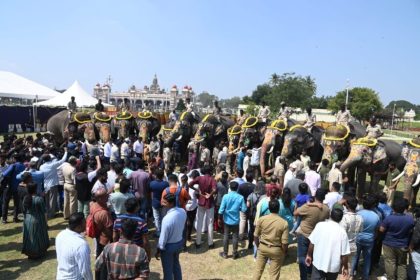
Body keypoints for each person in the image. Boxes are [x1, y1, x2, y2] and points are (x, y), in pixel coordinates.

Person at [294, 188, 330, 280]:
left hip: (305, 234)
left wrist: (310, 203)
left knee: (302, 257)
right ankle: (310, 274)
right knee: (313, 256)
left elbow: (296, 212)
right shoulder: (326, 209)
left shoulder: (308, 207)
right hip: (317, 237)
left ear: (315, 196)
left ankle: (304, 277)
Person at [305, 208, 350, 280]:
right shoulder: (342, 232)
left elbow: (312, 243)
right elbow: (344, 254)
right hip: (333, 266)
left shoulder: (320, 225)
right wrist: (345, 267)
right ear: (341, 219)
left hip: (318, 262)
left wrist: (309, 255)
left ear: (330, 215)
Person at [253, 199, 289, 280]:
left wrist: (258, 246)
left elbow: (255, 235)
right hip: (276, 249)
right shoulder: (284, 223)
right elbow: (285, 243)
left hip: (262, 247)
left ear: (269, 208)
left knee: (257, 271)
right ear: (279, 208)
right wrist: (284, 252)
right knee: (274, 275)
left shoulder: (261, 219)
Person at [379, 198, 415, 280]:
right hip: (403, 244)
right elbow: (411, 230)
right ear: (404, 208)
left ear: (393, 208)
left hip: (388, 244)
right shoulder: (410, 219)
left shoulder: (389, 218)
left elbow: (381, 229)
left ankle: (391, 278)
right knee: (402, 264)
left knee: (390, 262)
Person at [156, 193, 187, 280]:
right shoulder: (183, 211)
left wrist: (159, 249)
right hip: (179, 242)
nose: (162, 204)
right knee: (176, 264)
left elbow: (163, 239)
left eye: (165, 202)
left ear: (171, 203)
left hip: (169, 247)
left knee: (167, 271)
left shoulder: (167, 219)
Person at [351, 194, 381, 280]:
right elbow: (377, 230)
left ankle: (351, 274)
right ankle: (365, 276)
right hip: (369, 239)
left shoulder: (358, 213)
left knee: (355, 257)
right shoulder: (376, 216)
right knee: (367, 258)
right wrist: (374, 237)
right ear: (373, 205)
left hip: (358, 238)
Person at [56, 212, 92, 280]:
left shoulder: (60, 235)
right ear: (78, 227)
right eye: (84, 222)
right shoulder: (81, 245)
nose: (86, 224)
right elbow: (85, 271)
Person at [188, 165, 217, 249]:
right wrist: (210, 195)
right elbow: (214, 189)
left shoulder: (200, 178)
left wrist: (197, 191)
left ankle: (198, 242)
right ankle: (210, 243)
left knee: (199, 222)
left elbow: (190, 184)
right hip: (209, 203)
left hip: (201, 202)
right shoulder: (212, 179)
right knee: (210, 223)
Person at [218, 181, 247, 259]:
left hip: (226, 220)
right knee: (235, 237)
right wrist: (239, 208)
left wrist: (219, 219)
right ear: (237, 188)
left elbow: (221, 210)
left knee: (226, 236)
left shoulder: (225, 196)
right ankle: (234, 253)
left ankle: (225, 253)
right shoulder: (240, 197)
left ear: (230, 188)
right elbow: (244, 209)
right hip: (236, 220)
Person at [89, 188, 114, 279]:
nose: (107, 197)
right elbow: (108, 230)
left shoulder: (93, 205)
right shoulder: (104, 214)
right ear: (99, 198)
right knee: (104, 264)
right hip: (105, 239)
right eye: (105, 196)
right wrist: (113, 239)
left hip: (98, 237)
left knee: (98, 261)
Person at [22, 182, 49, 259]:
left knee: (29, 237)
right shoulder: (39, 199)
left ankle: (30, 253)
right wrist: (46, 222)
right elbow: (44, 212)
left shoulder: (25, 198)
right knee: (39, 236)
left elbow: (23, 210)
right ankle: (39, 253)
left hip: (27, 220)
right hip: (37, 220)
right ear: (35, 189)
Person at [39, 148, 68, 219]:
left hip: (45, 185)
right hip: (53, 184)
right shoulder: (53, 165)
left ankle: (48, 212)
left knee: (47, 200)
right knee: (52, 200)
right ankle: (51, 214)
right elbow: (63, 160)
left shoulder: (41, 166)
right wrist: (66, 152)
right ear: (50, 159)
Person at [339, 196, 363, 273]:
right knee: (349, 267)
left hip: (343, 246)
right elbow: (360, 230)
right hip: (353, 245)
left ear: (347, 205)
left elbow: (341, 233)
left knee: (340, 268)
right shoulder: (360, 218)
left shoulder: (344, 217)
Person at [2, 153, 26, 223]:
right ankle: (15, 218)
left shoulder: (13, 165)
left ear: (14, 159)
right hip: (18, 186)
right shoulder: (23, 166)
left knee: (5, 203)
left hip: (9, 187)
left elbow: (5, 174)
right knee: (16, 203)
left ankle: (4, 219)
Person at [238, 173, 256, 241]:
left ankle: (241, 236)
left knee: (243, 220)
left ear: (246, 178)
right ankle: (249, 235)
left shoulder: (241, 186)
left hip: (243, 205)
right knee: (250, 221)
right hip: (252, 206)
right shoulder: (254, 186)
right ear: (252, 178)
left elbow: (239, 196)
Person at [409, 206, 420, 279]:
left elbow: (416, 238)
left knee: (417, 270)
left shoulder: (418, 223)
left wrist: (411, 246)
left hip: (417, 249)